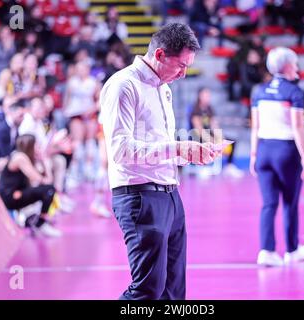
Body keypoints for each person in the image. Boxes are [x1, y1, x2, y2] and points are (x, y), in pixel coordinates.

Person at [101, 23, 219, 300]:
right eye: (180, 66)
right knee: (147, 290)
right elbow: (121, 150)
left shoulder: (162, 86)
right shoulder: (123, 85)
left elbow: (157, 144)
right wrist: (176, 147)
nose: (183, 74)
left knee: (174, 289)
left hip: (169, 193)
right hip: (139, 196)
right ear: (160, 55)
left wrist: (187, 154)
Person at [250, 47, 304, 267]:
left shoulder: (259, 90)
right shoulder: (294, 92)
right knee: (290, 203)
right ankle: (292, 250)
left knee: (268, 204)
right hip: (286, 151)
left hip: (264, 151)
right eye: (294, 64)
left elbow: (255, 126)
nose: (297, 68)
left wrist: (253, 154)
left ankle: (266, 250)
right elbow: (298, 127)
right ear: (286, 67)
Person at [0, 134, 62, 237]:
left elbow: (44, 180)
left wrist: (42, 161)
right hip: (10, 196)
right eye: (37, 145)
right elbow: (41, 180)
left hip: (18, 193)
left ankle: (36, 221)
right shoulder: (20, 157)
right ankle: (40, 223)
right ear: (30, 145)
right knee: (48, 190)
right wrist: (44, 160)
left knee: (47, 190)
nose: (39, 148)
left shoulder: (27, 157)